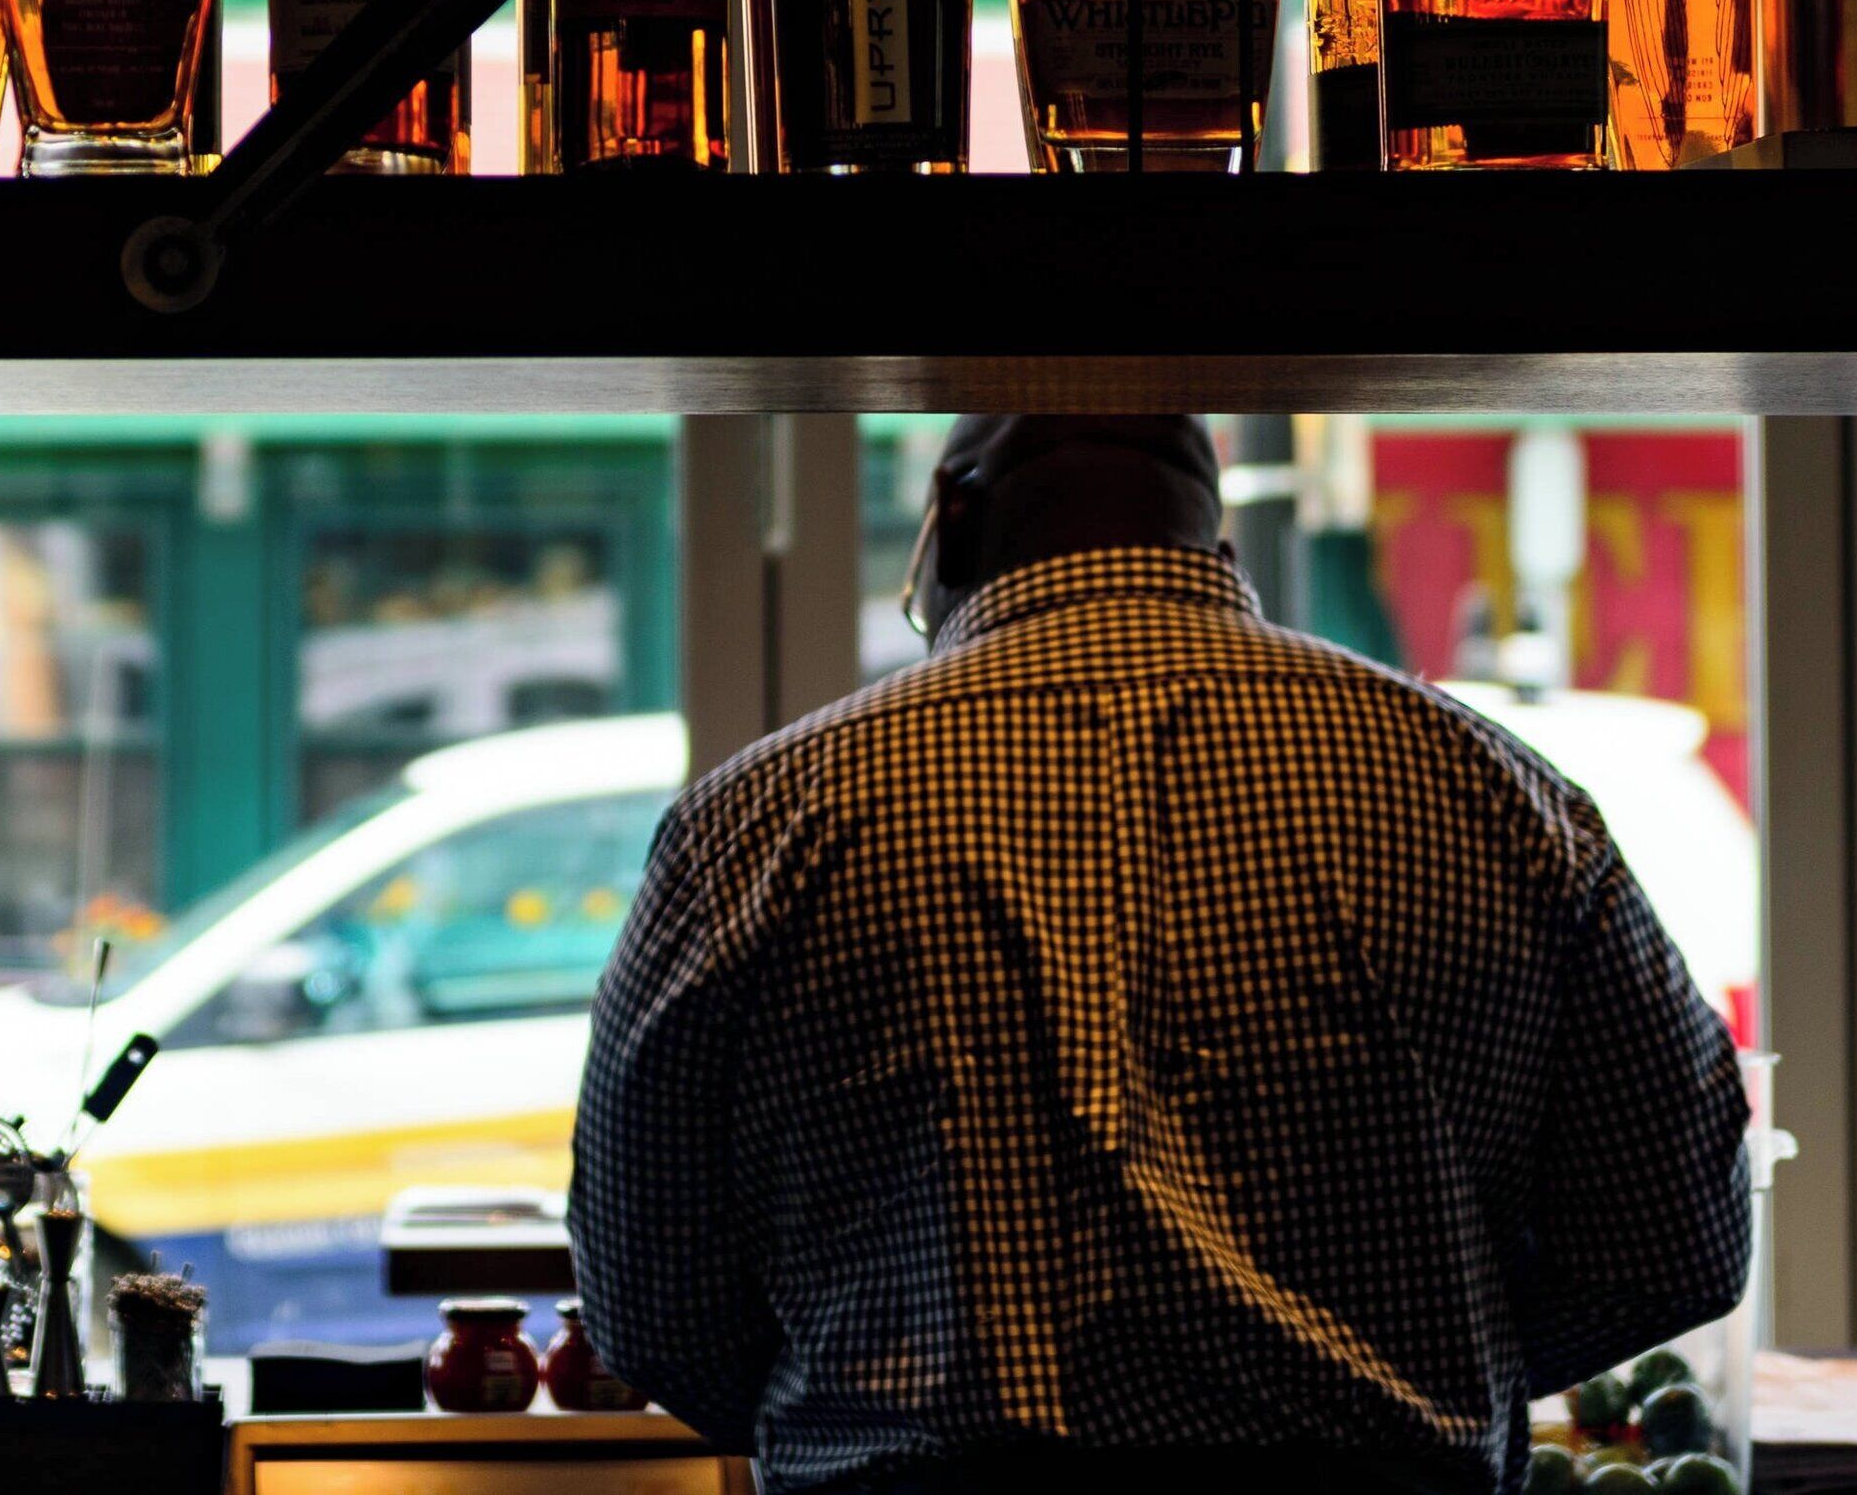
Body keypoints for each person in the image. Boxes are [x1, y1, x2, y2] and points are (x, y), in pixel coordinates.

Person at [569, 414, 1749, 1495]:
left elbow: (649, 1302)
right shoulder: (1494, 793)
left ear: (956, 513)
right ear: (1208, 519)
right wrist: (1419, 1362)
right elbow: (1676, 1241)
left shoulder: (764, 821)